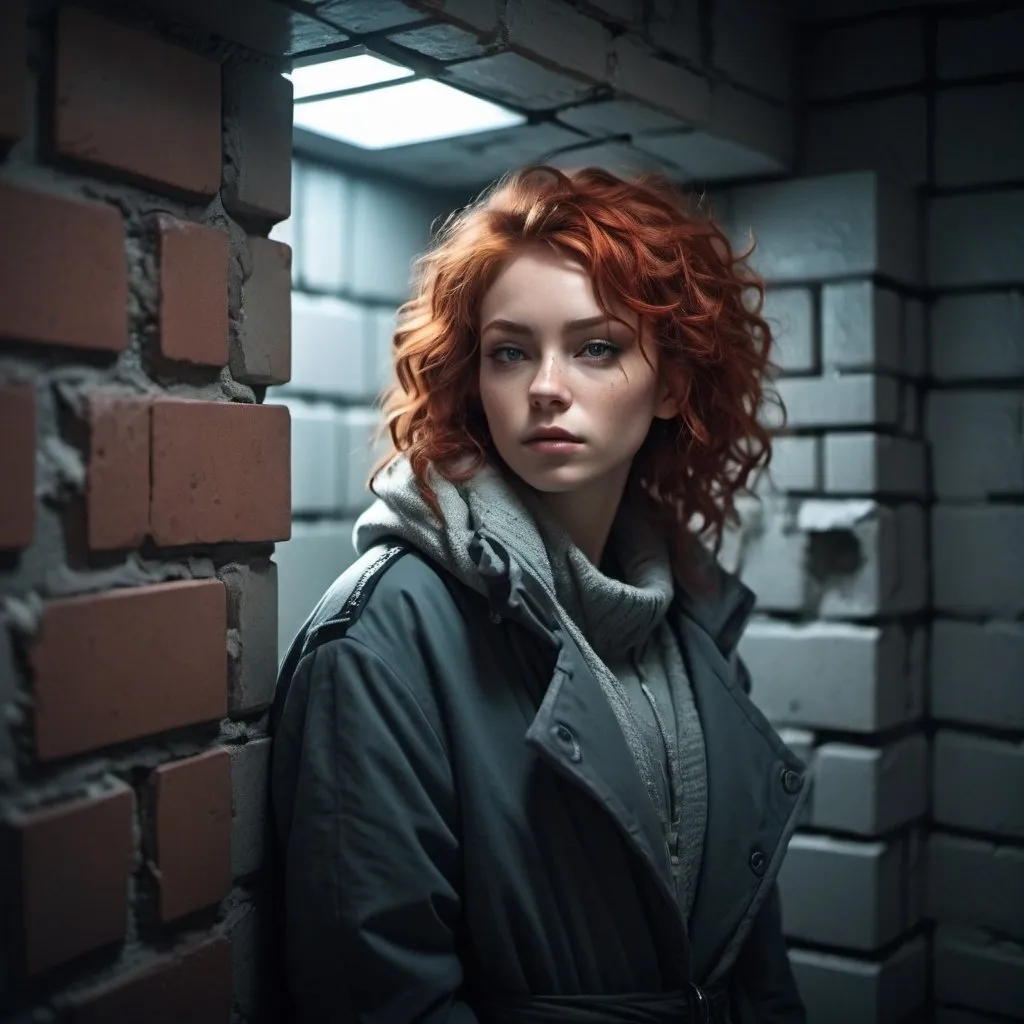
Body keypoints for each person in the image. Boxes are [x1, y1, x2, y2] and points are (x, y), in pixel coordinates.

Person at [269, 164, 809, 1024]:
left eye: (597, 347)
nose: (546, 386)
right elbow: (377, 996)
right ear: (474, 383)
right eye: (510, 352)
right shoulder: (384, 636)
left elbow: (752, 954)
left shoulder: (692, 622)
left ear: (671, 384)